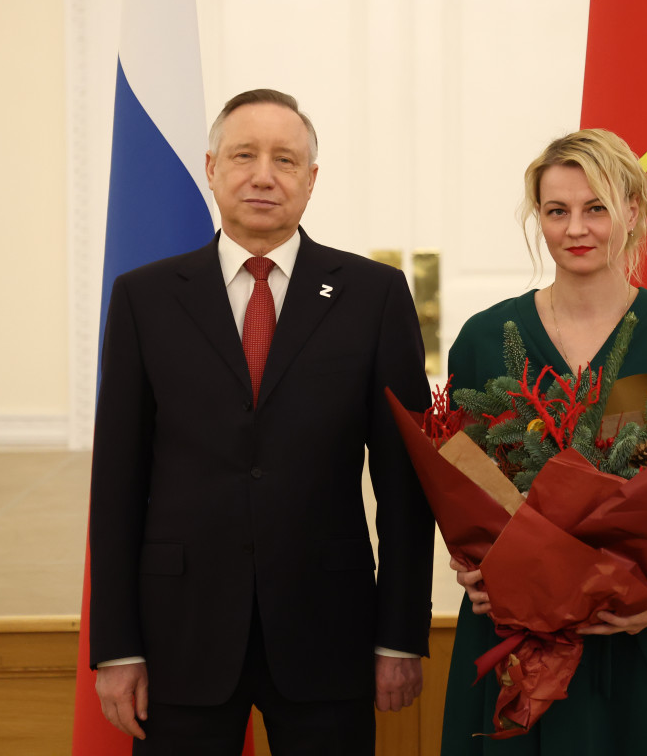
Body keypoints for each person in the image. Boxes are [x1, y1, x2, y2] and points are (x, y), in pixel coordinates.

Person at [88, 88, 435, 755]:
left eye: (286, 159)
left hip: (327, 629)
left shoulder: (373, 296)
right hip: (180, 633)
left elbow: (405, 487)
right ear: (211, 167)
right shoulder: (144, 298)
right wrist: (118, 646)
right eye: (244, 155)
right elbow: (117, 487)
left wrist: (399, 636)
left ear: (311, 178)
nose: (264, 175)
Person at [440, 128, 647, 753]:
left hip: (641, 643)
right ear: (538, 218)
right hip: (517, 641)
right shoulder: (485, 338)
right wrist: (472, 567)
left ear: (633, 211)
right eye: (557, 211)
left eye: (596, 208)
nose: (576, 228)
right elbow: (461, 487)